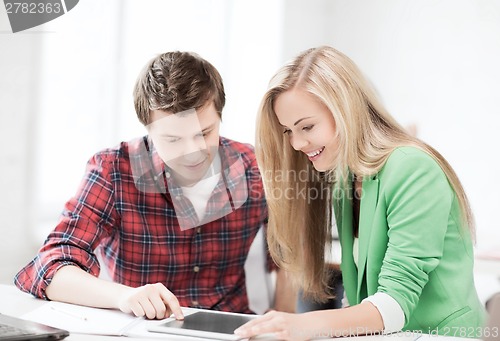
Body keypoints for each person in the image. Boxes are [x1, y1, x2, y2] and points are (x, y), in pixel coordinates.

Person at [14, 51, 295, 320]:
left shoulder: (255, 167)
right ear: (147, 128)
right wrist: (124, 296)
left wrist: (285, 318)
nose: (193, 152)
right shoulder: (113, 170)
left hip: (229, 327)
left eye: (205, 133)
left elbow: (290, 254)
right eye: (173, 139)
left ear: (220, 116)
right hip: (144, 327)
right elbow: (49, 267)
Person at [235, 46, 486, 340]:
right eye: (288, 130)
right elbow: (363, 296)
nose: (296, 143)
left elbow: (393, 304)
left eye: (307, 126)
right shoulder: (345, 177)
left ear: (346, 110)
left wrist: (299, 325)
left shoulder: (413, 168)